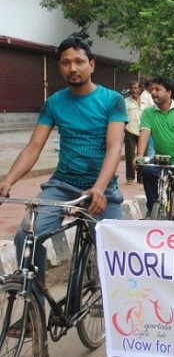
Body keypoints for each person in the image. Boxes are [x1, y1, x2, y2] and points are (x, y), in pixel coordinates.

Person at [0, 36, 127, 312]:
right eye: (66, 62)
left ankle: (111, 304)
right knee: (26, 236)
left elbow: (114, 146)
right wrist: (8, 180)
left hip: (101, 189)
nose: (73, 68)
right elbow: (34, 147)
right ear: (59, 67)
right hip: (62, 185)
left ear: (91, 65)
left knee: (114, 249)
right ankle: (35, 309)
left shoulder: (112, 101)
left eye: (79, 61)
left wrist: (99, 187)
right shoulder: (54, 103)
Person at [135, 76, 174, 218]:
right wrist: (138, 156)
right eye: (152, 90)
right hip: (161, 161)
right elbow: (144, 134)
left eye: (158, 89)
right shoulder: (148, 112)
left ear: (169, 93)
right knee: (148, 172)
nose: (153, 93)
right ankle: (152, 209)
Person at [124, 81, 146, 184]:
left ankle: (141, 178)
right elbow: (122, 117)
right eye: (132, 88)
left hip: (143, 131)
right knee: (130, 155)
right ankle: (130, 177)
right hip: (130, 131)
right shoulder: (125, 101)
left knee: (142, 156)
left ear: (140, 89)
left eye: (136, 88)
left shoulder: (145, 101)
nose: (134, 90)